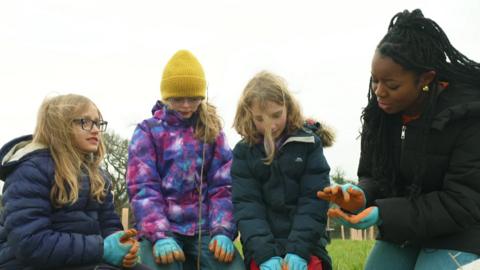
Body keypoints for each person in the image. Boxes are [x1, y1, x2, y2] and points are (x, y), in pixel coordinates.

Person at [317, 9, 480, 270]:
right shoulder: (380, 115)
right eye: (375, 81)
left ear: (425, 79)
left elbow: (462, 202)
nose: (379, 92)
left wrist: (384, 213)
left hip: (463, 232)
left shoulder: (469, 116)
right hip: (406, 229)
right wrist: (361, 195)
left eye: (391, 86)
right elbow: (375, 176)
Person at [126, 50, 245, 270]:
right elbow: (143, 187)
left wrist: (223, 230)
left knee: (234, 268)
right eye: (178, 99)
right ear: (166, 97)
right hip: (163, 230)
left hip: (205, 229)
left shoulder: (213, 132)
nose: (187, 105)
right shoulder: (148, 132)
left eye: (194, 99)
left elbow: (223, 186)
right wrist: (159, 234)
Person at [0, 94, 147, 270]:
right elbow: (30, 243)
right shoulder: (30, 171)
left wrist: (123, 247)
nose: (95, 130)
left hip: (86, 260)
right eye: (85, 122)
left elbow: (109, 225)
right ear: (59, 126)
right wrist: (102, 249)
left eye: (98, 123)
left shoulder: (99, 177)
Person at [232, 71, 334, 270]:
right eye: (259, 119)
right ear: (248, 115)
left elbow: (314, 201)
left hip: (306, 247)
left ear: (288, 106)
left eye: (276, 115)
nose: (270, 125)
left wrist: (298, 251)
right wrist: (265, 255)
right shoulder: (243, 153)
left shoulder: (309, 144)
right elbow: (248, 207)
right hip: (262, 251)